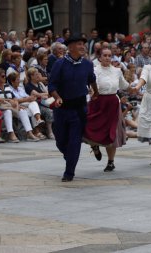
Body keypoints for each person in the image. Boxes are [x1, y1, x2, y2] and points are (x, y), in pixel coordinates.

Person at [48, 35, 99, 182]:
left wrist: (96, 91)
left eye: (84, 44)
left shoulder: (87, 64)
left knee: (74, 141)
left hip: (79, 109)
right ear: (70, 47)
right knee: (60, 141)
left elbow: (92, 79)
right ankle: (69, 156)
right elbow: (52, 85)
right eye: (79, 44)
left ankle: (69, 172)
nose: (83, 46)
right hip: (62, 108)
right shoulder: (60, 64)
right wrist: (57, 97)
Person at [83, 48, 129, 172]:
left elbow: (124, 85)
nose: (107, 58)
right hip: (97, 101)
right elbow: (92, 84)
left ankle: (110, 162)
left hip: (113, 104)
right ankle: (95, 146)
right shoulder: (94, 70)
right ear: (100, 57)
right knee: (88, 126)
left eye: (109, 55)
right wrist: (92, 91)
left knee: (111, 132)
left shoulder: (117, 71)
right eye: (105, 55)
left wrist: (134, 87)